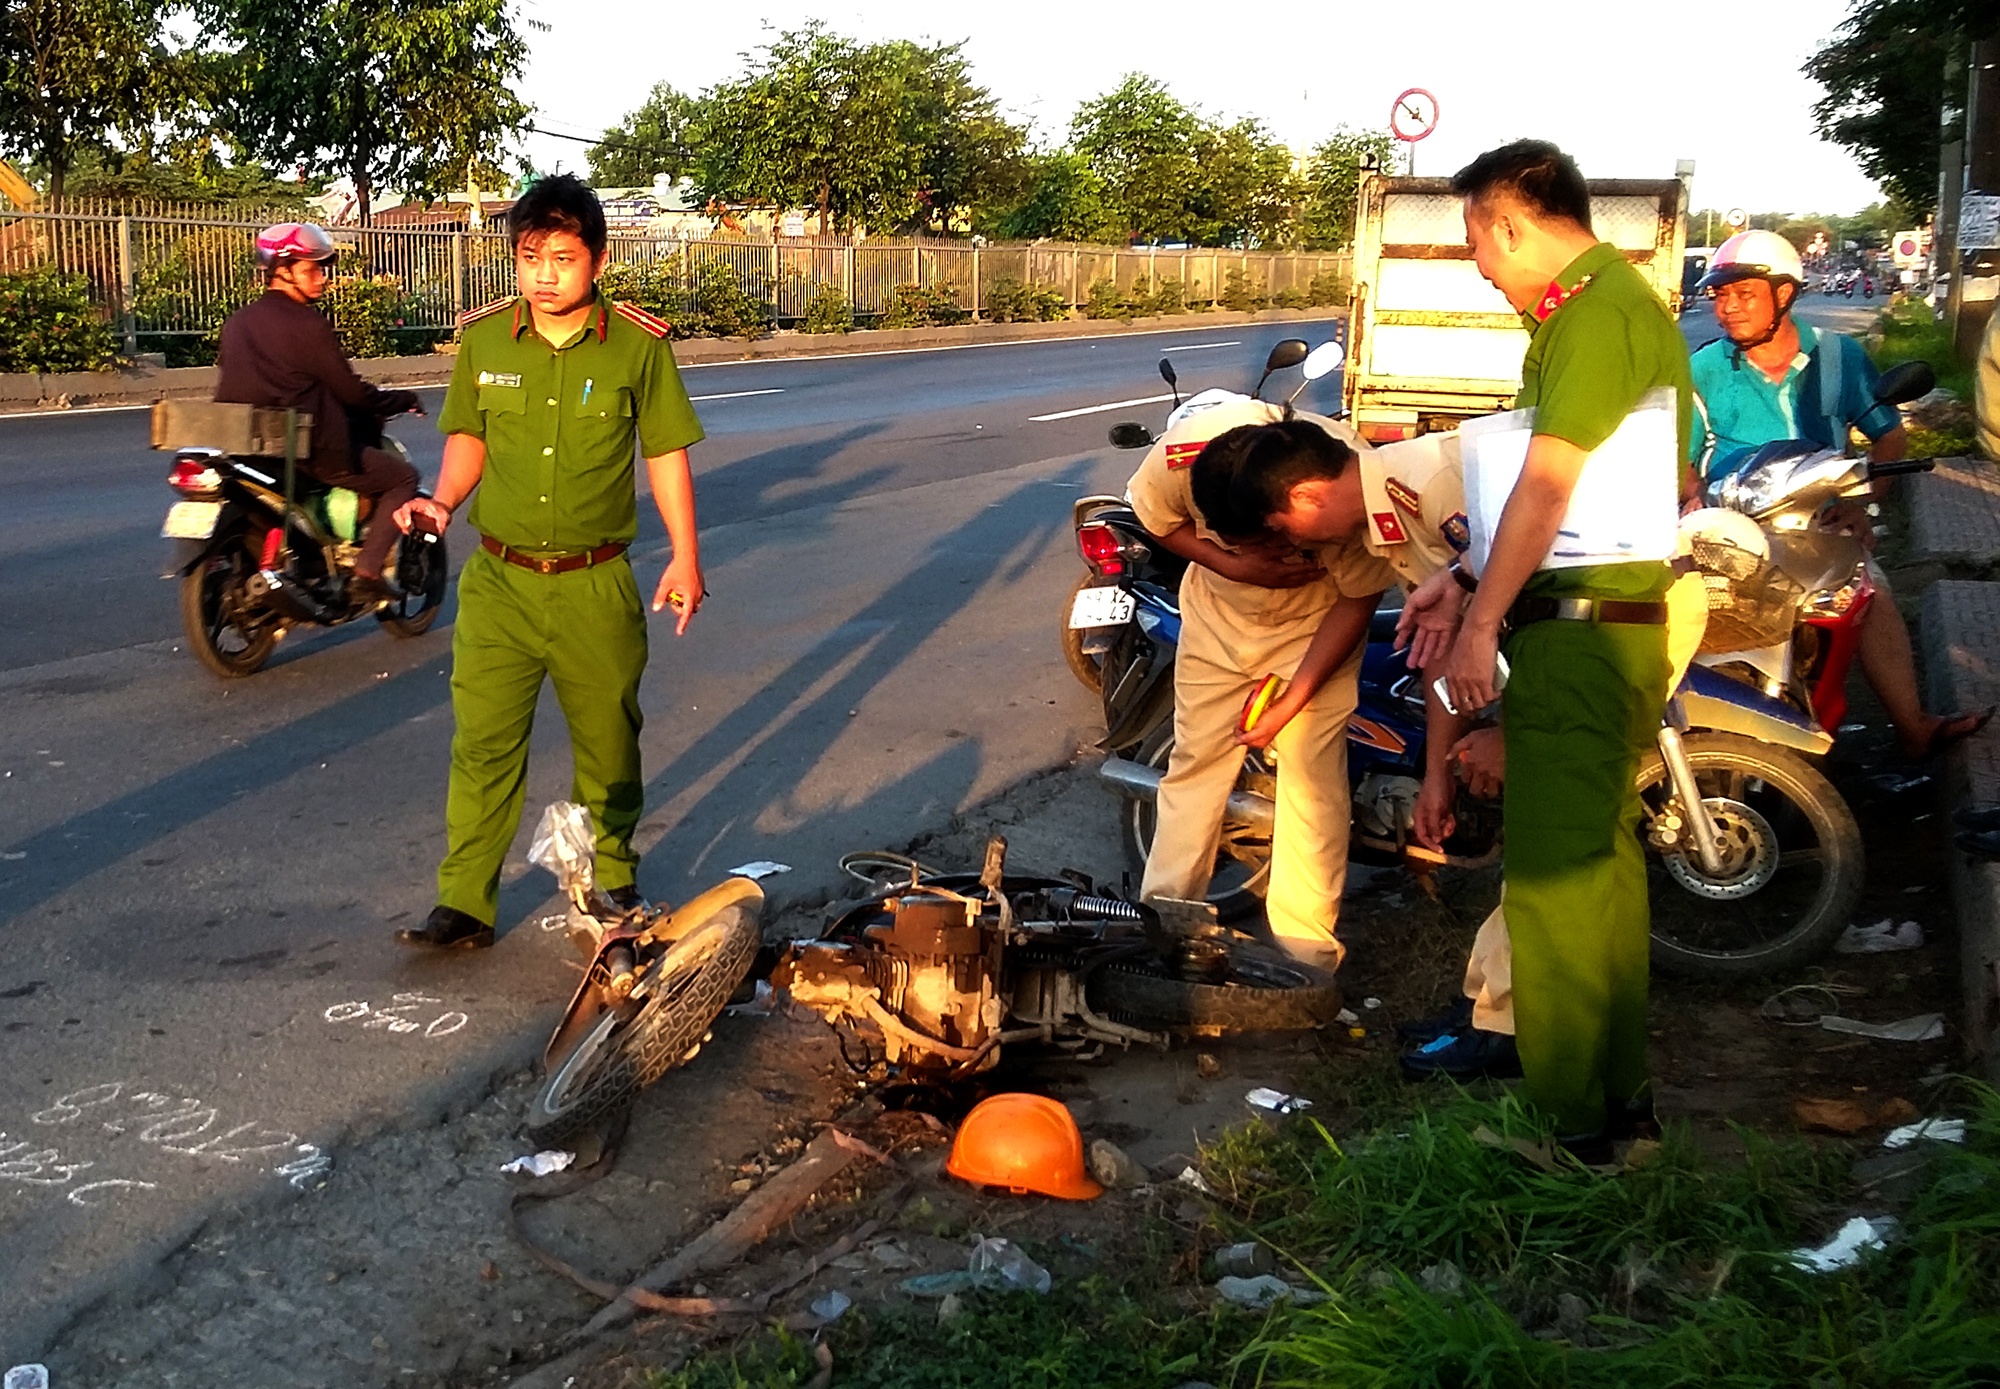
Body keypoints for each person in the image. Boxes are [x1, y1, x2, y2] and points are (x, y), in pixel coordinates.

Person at [1204, 422, 1708, 1082]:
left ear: (1304, 497)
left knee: (1552, 835)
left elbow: (1537, 600)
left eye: (1280, 526)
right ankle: (1489, 1007)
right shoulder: (1392, 511)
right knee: (1539, 833)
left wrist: (1511, 733)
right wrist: (1439, 773)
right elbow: (1451, 641)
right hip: (1560, 635)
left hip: (1617, 627)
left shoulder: (1441, 488)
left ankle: (1513, 1029)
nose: (1288, 546)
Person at [1394, 140, 1689, 1158]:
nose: (1477, 264)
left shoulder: (1595, 313)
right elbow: (1587, 501)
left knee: (1556, 893)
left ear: (1511, 223)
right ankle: (1621, 1112)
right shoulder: (1600, 310)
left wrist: (1477, 627)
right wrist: (1467, 576)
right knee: (1598, 879)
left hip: (1579, 641)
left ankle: (1567, 1131)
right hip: (1593, 625)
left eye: (1476, 242)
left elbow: (1552, 487)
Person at [394, 175, 706, 949]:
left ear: (596, 262)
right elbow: (468, 438)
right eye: (530, 256)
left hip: (595, 583)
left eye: (562, 258)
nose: (544, 273)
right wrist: (441, 502)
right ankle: (466, 899)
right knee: (483, 743)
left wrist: (685, 558)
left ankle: (612, 871)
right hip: (499, 582)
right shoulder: (487, 340)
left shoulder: (637, 345)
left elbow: (664, 453)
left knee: (608, 737)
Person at [1690, 229, 1989, 761]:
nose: (1728, 308)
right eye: (1720, 296)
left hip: (1817, 521)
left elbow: (1888, 435)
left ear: (1784, 295)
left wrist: (1864, 507)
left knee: (1871, 593)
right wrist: (1691, 497)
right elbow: (1681, 458)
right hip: (1733, 524)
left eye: (1744, 294)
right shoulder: (1703, 369)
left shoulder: (1839, 357)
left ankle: (1913, 725)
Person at [1124, 400, 1395, 971]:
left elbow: (1359, 598)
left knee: (1311, 785)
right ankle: (1165, 927)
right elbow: (1154, 518)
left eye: (1273, 539)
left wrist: (1294, 699)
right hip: (1218, 622)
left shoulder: (1341, 479)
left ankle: (1307, 953)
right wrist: (1232, 565)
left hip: (1315, 626)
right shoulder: (1184, 452)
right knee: (1195, 769)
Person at [214, 223, 422, 605]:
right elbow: (351, 392)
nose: (324, 279)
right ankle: (368, 571)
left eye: (322, 269)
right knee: (404, 478)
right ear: (283, 272)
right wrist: (402, 400)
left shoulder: (237, 322)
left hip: (247, 448)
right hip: (307, 449)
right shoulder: (309, 325)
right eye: (312, 270)